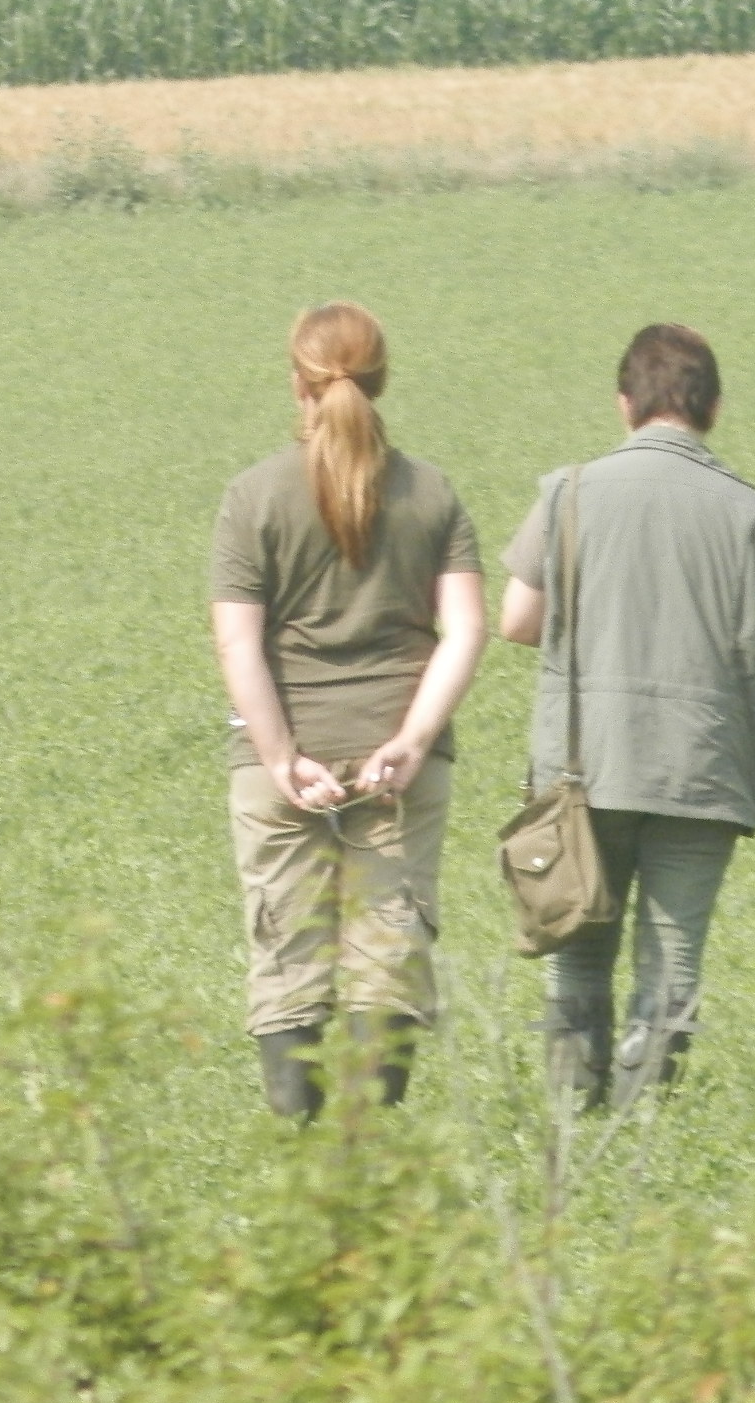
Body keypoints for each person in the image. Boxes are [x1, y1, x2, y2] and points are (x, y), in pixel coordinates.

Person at [499, 323, 755, 1112]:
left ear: (625, 403)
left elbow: (517, 621)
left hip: (584, 766)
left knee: (577, 956)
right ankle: (643, 1136)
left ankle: (573, 1120)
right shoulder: (748, 511)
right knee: (672, 960)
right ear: (712, 408)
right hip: (700, 768)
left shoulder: (566, 493)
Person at [211, 301, 487, 1119]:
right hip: (398, 767)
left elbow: (238, 646)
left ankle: (299, 1145)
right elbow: (466, 630)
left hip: (277, 766)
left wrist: (279, 758)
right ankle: (373, 1158)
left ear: (297, 381)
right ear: (383, 380)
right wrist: (411, 739)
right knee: (388, 951)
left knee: (287, 953)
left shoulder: (252, 496)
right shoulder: (431, 494)